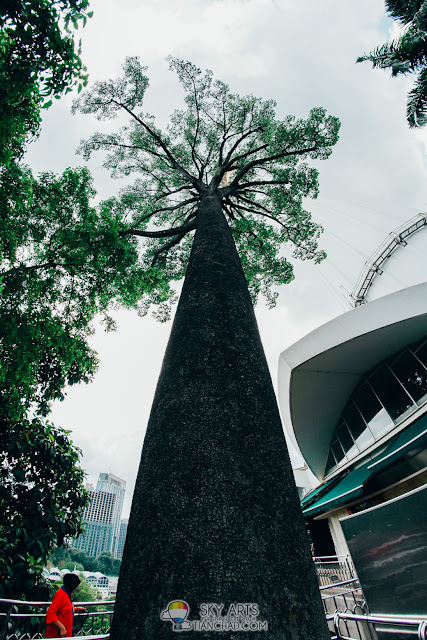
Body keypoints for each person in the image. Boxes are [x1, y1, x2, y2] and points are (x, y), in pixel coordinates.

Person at [45, 573, 87, 638]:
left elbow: (63, 608)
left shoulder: (66, 595)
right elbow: (50, 614)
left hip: (66, 635)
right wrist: (61, 628)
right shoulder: (60, 594)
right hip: (57, 636)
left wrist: (75, 609)